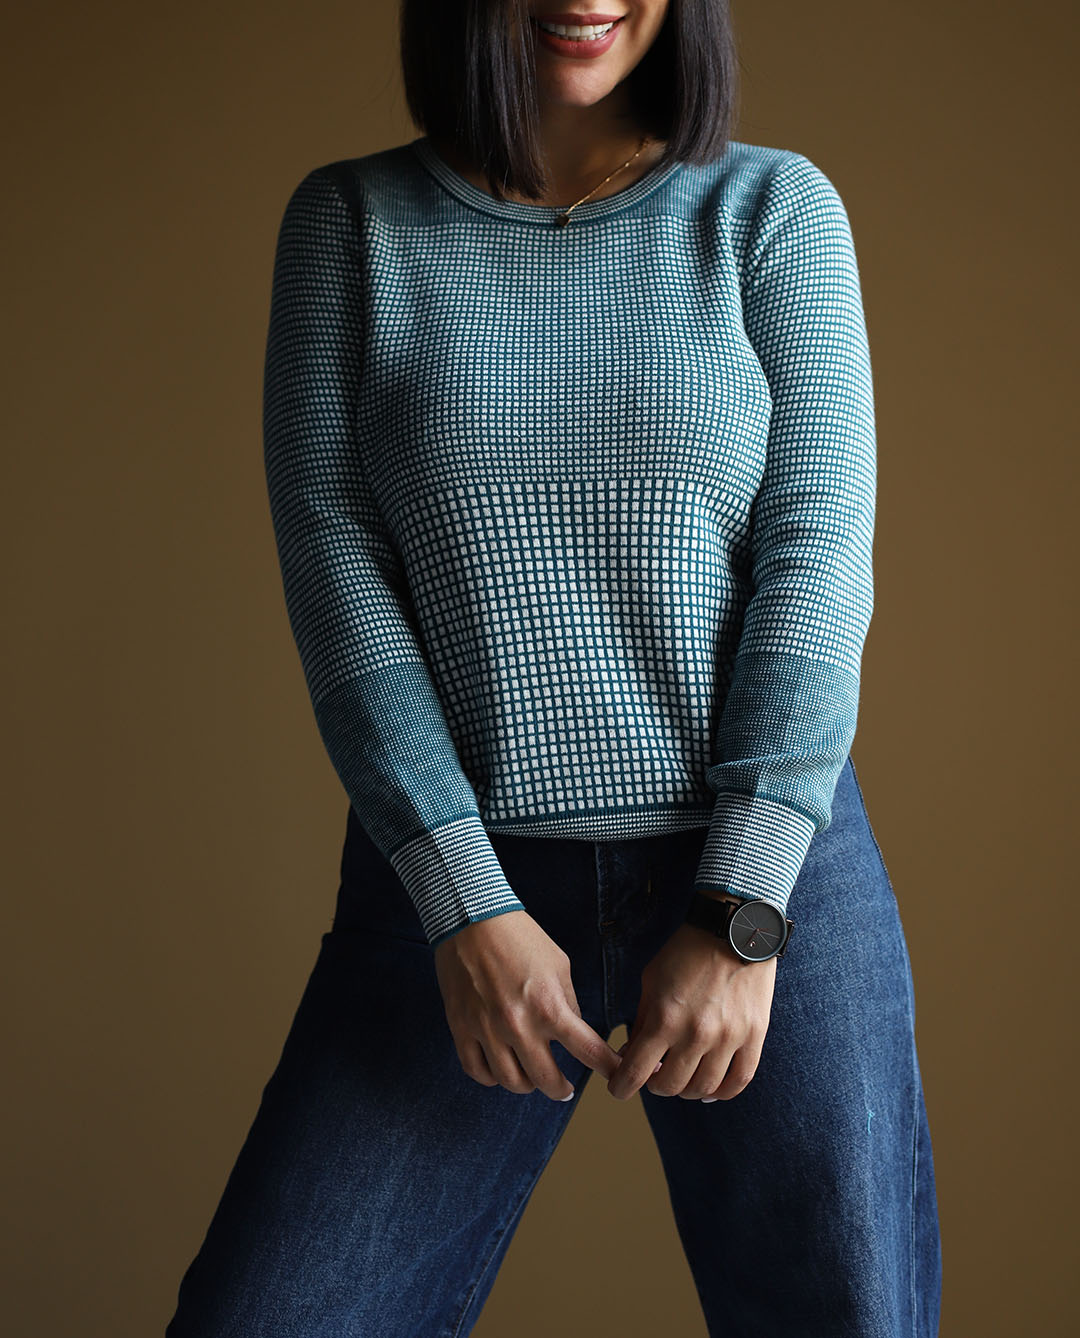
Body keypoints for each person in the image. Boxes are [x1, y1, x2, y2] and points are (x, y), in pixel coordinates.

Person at [165, 1, 943, 1334]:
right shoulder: (354, 224)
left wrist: (742, 911)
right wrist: (464, 904)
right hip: (458, 878)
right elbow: (340, 586)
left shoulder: (770, 210)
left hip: (763, 875)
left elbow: (818, 567)